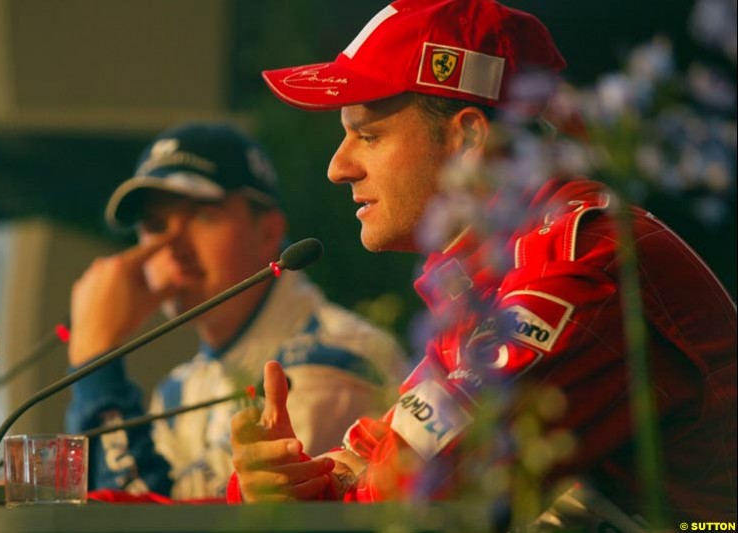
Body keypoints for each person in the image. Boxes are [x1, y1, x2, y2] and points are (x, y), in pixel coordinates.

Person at [227, 0, 737, 524]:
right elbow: (379, 457)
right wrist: (281, 484)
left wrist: (316, 498)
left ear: (467, 139)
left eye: (369, 135)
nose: (339, 167)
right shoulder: (492, 273)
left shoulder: (581, 268)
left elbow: (422, 503)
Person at [64, 123, 408, 499]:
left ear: (268, 233)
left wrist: (96, 361)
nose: (171, 246)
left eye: (202, 216)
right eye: (155, 224)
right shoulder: (182, 387)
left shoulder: (330, 364)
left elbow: (166, 523)